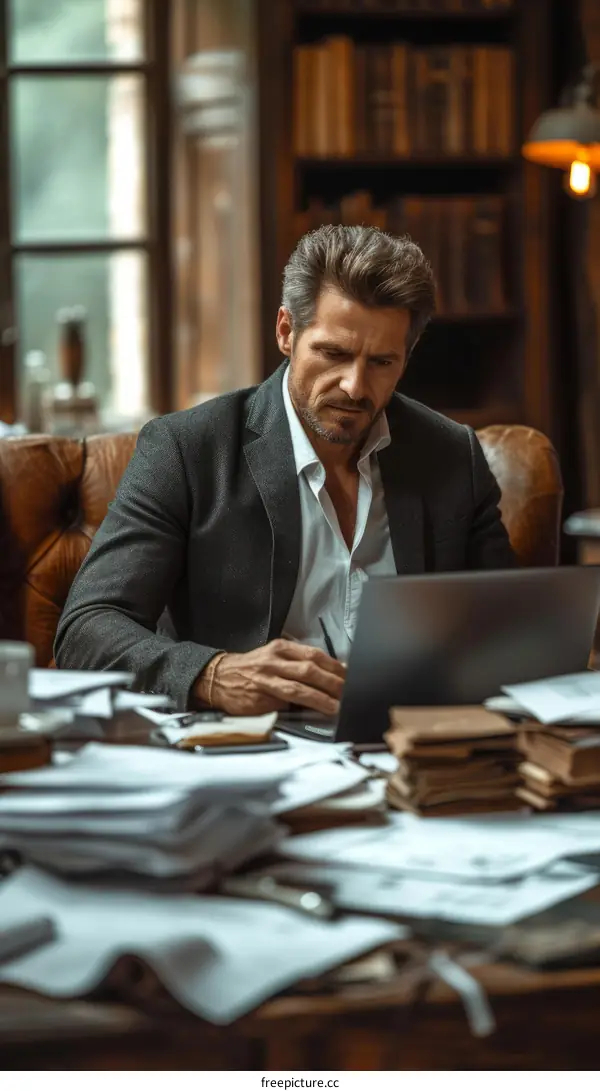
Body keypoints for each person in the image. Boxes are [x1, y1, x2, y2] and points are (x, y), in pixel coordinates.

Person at [55, 225, 514, 715]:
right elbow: (86, 630)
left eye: (381, 362)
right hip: (254, 746)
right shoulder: (187, 450)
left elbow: (511, 626)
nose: (356, 387)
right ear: (285, 331)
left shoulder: (451, 454)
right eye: (334, 354)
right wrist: (212, 674)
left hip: (416, 744)